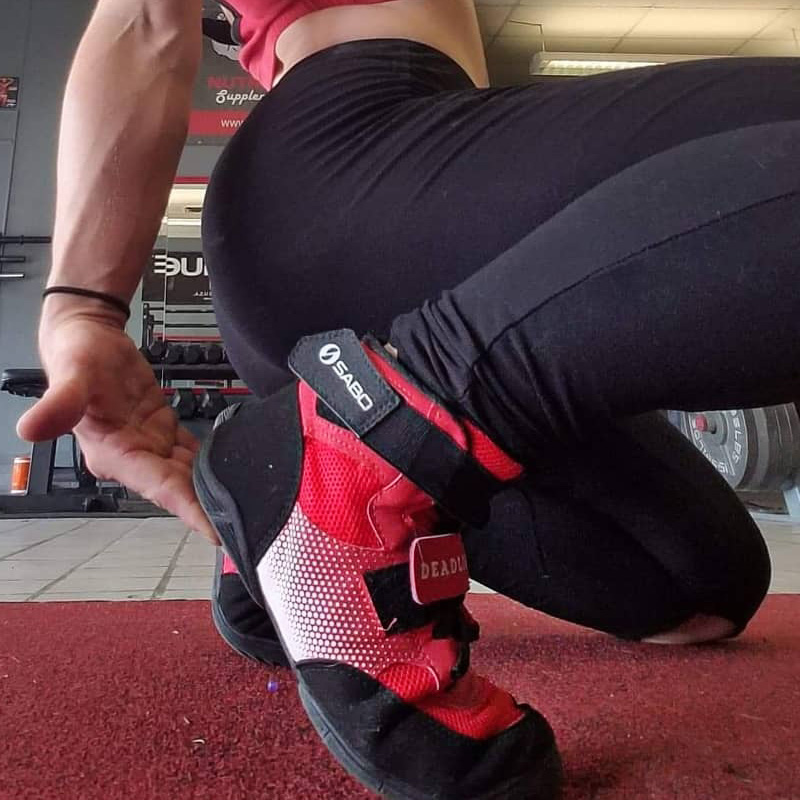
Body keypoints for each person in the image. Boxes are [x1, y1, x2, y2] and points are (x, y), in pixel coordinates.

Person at [17, 0, 796, 796]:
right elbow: (144, 20)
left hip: (415, 231)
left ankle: (278, 485)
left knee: (702, 585)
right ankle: (359, 446)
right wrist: (81, 308)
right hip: (355, 156)